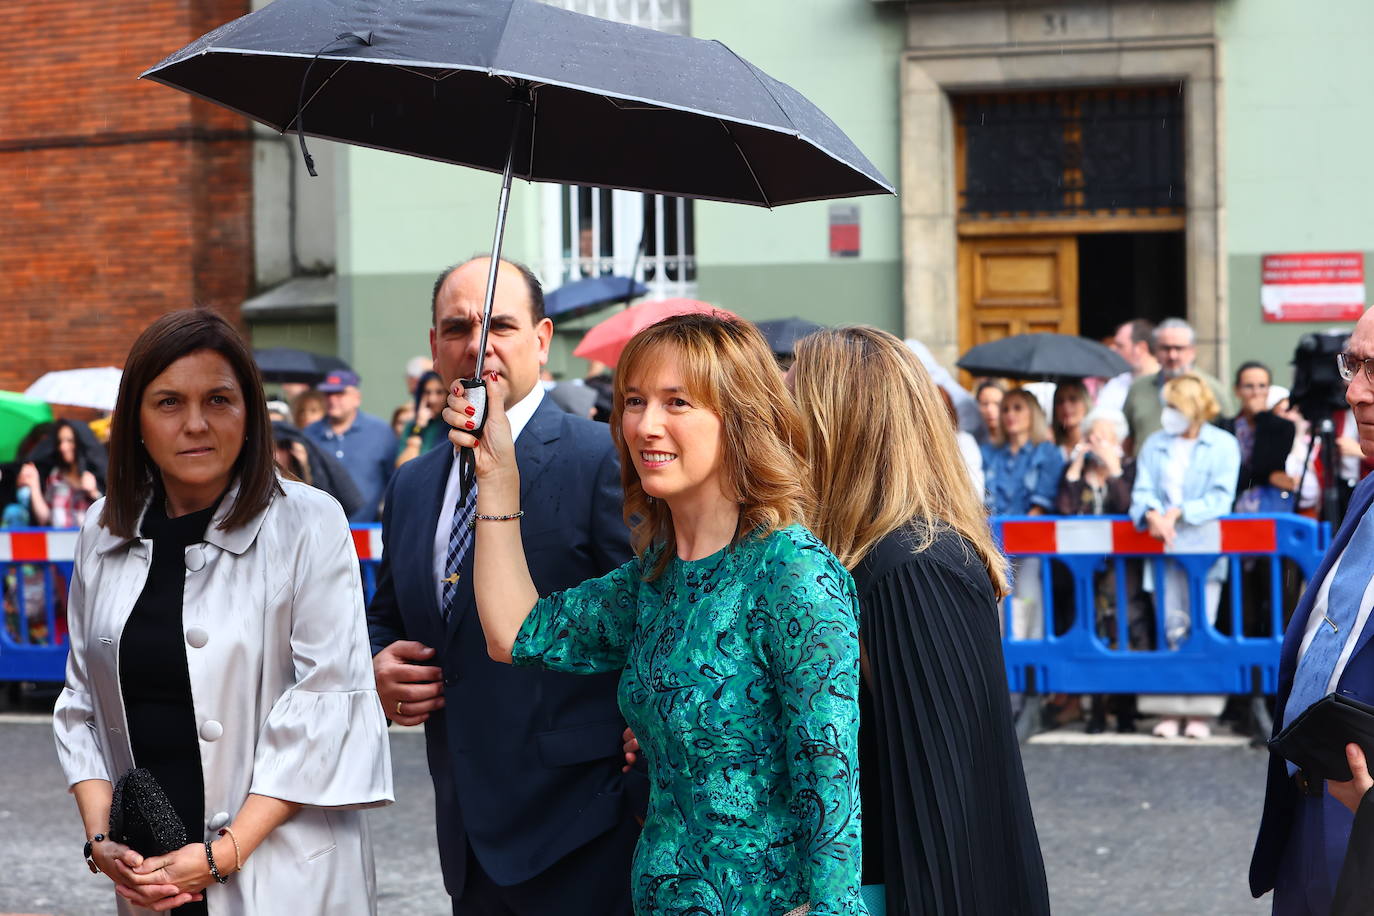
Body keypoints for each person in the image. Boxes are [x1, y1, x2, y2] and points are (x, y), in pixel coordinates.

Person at [447, 312, 865, 915]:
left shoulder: (791, 571)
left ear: (741, 421)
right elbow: (515, 634)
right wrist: (497, 475)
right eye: (635, 401)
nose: (646, 425)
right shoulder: (655, 579)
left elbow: (831, 781)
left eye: (678, 403)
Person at [52, 308, 392, 915]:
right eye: (168, 403)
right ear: (133, 420)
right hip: (151, 875)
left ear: (250, 413)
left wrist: (222, 855)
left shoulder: (308, 522)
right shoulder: (102, 528)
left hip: (281, 872)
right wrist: (102, 840)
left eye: (218, 399)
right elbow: (81, 703)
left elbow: (328, 707)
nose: (196, 424)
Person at [367, 257, 642, 916]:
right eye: (458, 326)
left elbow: (654, 613)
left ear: (542, 341)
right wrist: (376, 665)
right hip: (466, 838)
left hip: (585, 831)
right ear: (434, 344)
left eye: (501, 325)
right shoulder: (412, 484)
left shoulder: (600, 458)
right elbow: (389, 616)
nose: (477, 343)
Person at [790, 326, 1049, 916]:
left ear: (839, 424)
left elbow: (939, 803)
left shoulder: (912, 565)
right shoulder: (889, 553)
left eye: (796, 401)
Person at [1252, 310, 1374, 914]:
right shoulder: (1368, 490)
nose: (1354, 391)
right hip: (1312, 799)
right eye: (1352, 365)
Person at [1129, 372, 1239, 739]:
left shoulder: (1223, 445)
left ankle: (1201, 710)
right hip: (1164, 550)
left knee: (1200, 624)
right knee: (1169, 626)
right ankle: (1169, 707)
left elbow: (1222, 498)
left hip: (1204, 550)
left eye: (1174, 406)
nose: (1167, 414)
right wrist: (1151, 514)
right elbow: (1141, 490)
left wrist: (1180, 511)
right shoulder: (1154, 445)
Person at [1056, 407, 1146, 733]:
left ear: (1119, 439)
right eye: (1092, 435)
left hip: (1122, 570)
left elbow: (1127, 506)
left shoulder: (1130, 468)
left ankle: (1126, 708)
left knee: (1125, 630)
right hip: (1086, 571)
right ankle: (1095, 709)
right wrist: (1078, 465)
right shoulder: (1078, 472)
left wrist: (1114, 467)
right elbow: (1065, 508)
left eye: (1104, 436)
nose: (1097, 442)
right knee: (1092, 629)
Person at [983, 389, 1064, 641]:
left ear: (1033, 413)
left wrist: (1020, 532)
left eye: (1018, 408)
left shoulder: (1046, 452)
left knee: (1029, 603)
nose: (1010, 415)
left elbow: (1042, 501)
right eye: (1006, 408)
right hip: (994, 542)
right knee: (997, 607)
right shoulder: (991, 453)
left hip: (1030, 543)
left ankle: (1031, 670)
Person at [1122, 318, 1235, 453]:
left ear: (1192, 351)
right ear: (1156, 351)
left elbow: (1228, 437)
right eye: (1166, 348)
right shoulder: (1138, 388)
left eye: (1179, 348)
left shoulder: (1212, 389)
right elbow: (1128, 437)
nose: (1172, 355)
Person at [303, 370, 396, 522]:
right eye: (328, 394)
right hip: (320, 528)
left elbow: (392, 481)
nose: (333, 399)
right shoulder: (309, 434)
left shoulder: (380, 432)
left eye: (340, 394)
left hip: (367, 531)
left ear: (356, 398)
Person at [1222, 360, 1298, 513]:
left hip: (1271, 507)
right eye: (1249, 386)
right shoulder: (1223, 427)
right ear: (1237, 390)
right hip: (1231, 505)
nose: (1256, 393)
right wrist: (1269, 476)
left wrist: (1262, 417)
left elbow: (1264, 466)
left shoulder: (1283, 426)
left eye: (1262, 386)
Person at [18, 420, 103, 527]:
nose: (63, 447)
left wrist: (94, 493)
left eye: (69, 441)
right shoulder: (56, 477)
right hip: (58, 540)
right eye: (60, 441)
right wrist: (34, 485)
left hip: (87, 541)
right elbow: (45, 519)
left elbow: (107, 520)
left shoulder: (95, 476)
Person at [1098, 319, 1159, 413]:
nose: (1114, 351)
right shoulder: (1117, 382)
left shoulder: (1166, 381)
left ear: (1141, 348)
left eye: (1120, 346)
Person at [394, 370, 449, 468]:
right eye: (427, 392)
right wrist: (418, 427)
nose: (432, 399)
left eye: (439, 392)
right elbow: (403, 466)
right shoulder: (414, 425)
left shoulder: (454, 423)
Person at [1051, 379, 1092, 461]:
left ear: (1086, 403)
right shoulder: (1050, 448)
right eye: (1060, 401)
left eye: (1073, 399)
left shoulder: (1096, 446)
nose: (1065, 406)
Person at [975, 380, 1005, 447]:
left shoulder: (1016, 441)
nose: (990, 410)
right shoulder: (972, 440)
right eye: (985, 404)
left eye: (997, 404)